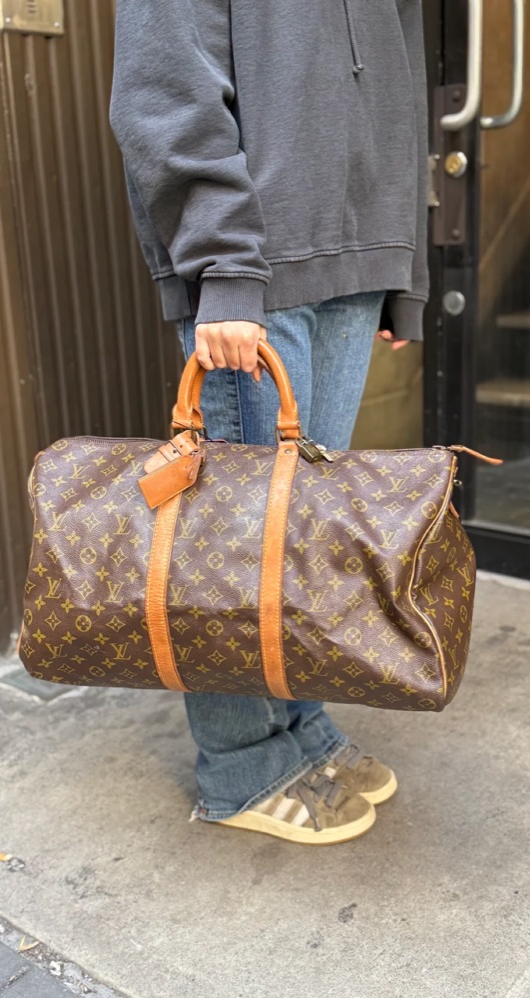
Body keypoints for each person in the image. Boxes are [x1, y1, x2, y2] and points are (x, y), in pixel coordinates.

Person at [110, 0, 428, 844]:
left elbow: (398, 88)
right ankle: (241, 762)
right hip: (254, 266)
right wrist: (221, 266)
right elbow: (163, 87)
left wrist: (402, 269)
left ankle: (299, 726)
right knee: (233, 548)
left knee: (303, 539)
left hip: (354, 258)